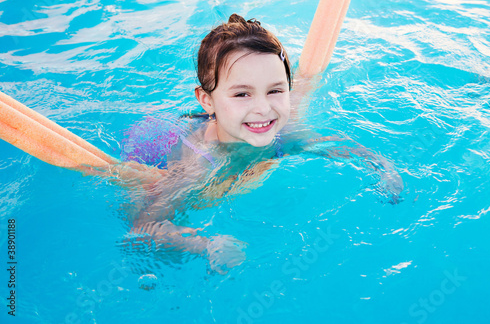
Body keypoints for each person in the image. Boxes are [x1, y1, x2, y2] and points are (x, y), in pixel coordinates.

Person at [111, 14, 403, 274]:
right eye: (242, 94)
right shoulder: (197, 167)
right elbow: (143, 226)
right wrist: (205, 244)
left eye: (275, 90)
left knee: (303, 93)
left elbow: (339, 146)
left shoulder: (283, 131)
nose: (263, 108)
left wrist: (384, 169)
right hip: (156, 150)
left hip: (239, 130)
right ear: (206, 100)